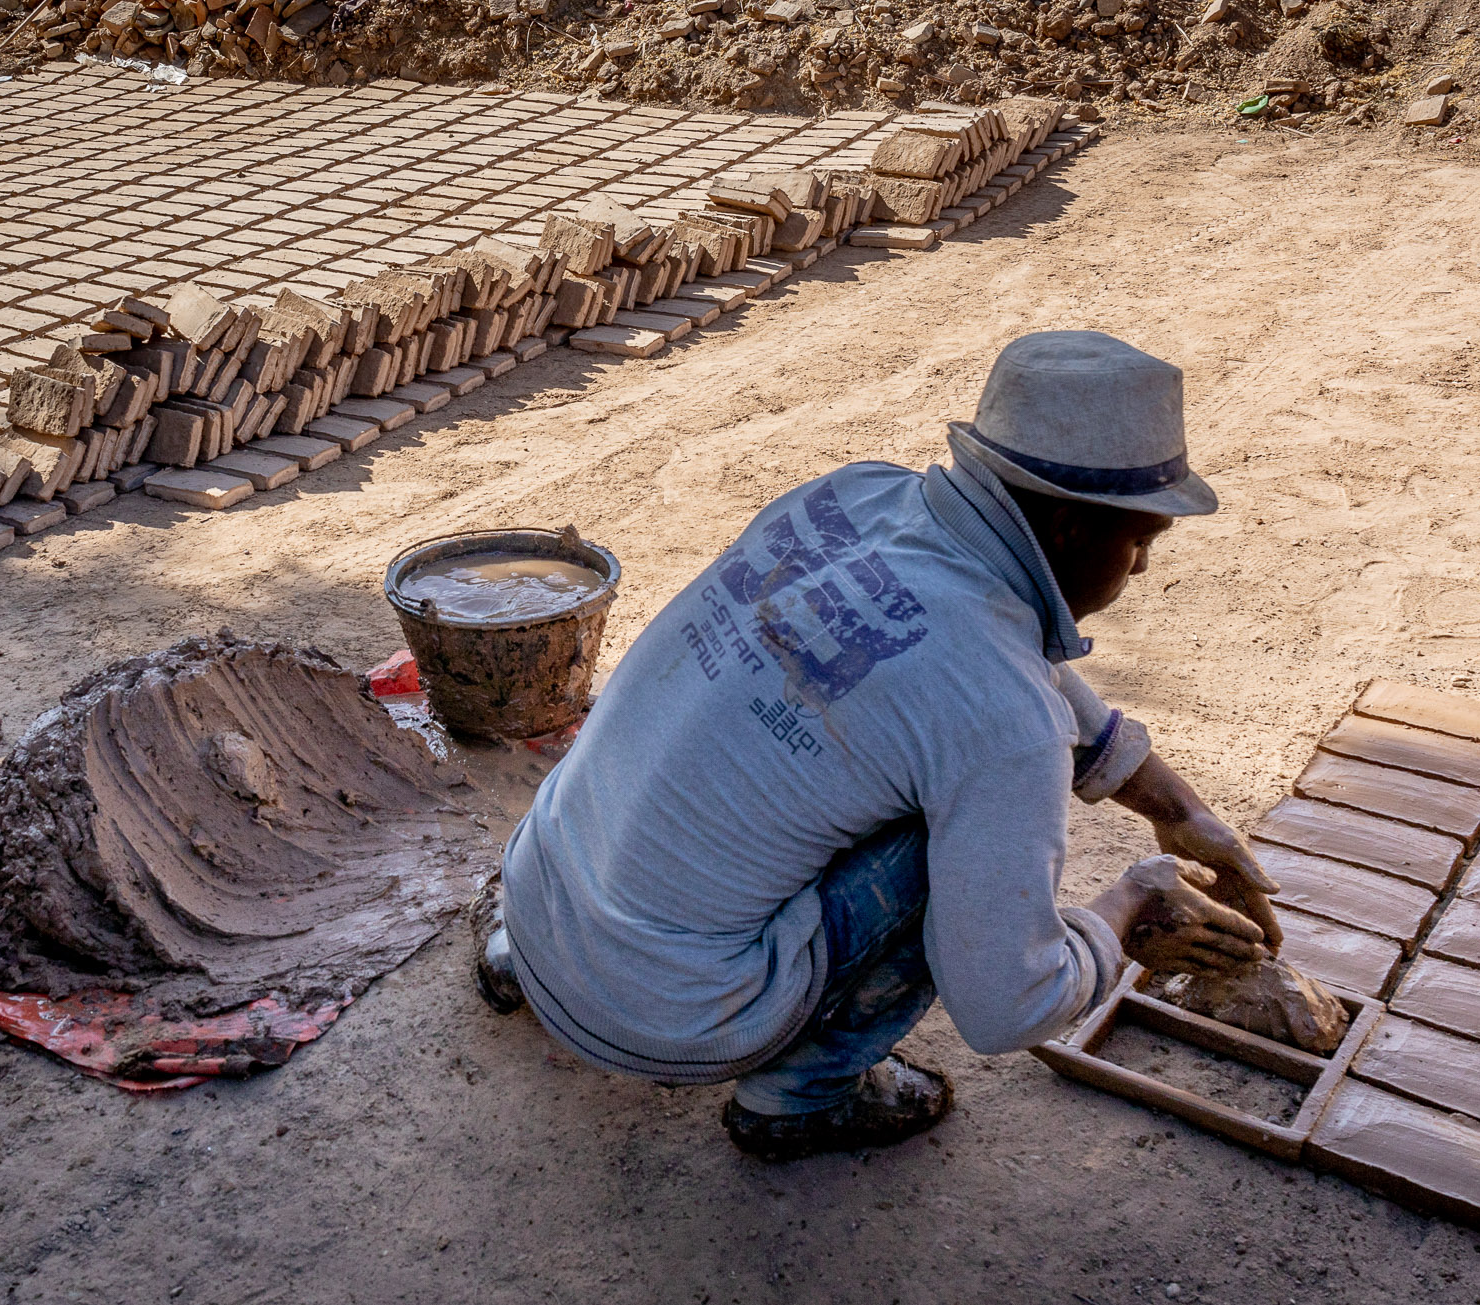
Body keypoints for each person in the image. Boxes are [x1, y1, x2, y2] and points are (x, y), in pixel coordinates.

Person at [477, 331, 1282, 1161]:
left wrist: (1175, 807)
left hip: (539, 900)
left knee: (782, 741)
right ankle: (803, 1096)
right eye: (1141, 541)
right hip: (661, 1018)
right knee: (947, 845)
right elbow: (1009, 1001)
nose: (1143, 568)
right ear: (1074, 530)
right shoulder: (1005, 717)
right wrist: (1128, 912)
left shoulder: (857, 497)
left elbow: (990, 666)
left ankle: (517, 957)